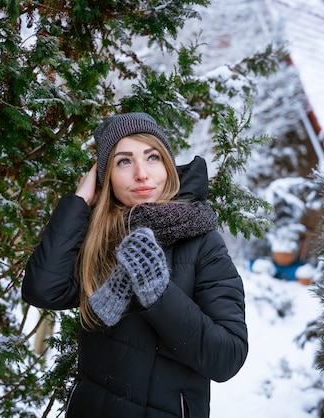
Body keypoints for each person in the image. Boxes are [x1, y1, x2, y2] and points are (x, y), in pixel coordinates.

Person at [22, 112, 248, 418]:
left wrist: (159, 293)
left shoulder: (203, 243)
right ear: (107, 178)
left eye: (152, 157)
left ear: (168, 167)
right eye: (123, 161)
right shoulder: (101, 239)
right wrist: (80, 200)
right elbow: (43, 290)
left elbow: (226, 358)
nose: (141, 174)